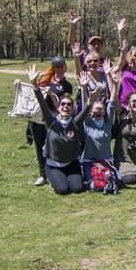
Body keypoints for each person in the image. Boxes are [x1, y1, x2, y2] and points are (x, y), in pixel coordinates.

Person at [27, 64, 97, 195]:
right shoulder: (52, 121)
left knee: (77, 189)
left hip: (71, 164)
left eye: (69, 105)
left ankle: (68, 177)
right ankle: (52, 177)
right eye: (63, 104)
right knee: (63, 190)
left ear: (72, 108)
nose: (66, 107)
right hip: (53, 165)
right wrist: (35, 85)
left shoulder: (75, 122)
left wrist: (86, 91)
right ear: (58, 108)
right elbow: (42, 103)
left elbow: (87, 107)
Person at [27, 55, 73, 186]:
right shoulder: (45, 80)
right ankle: (42, 175)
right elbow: (33, 93)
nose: (59, 68)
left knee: (50, 147)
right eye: (56, 66)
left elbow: (63, 106)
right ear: (53, 68)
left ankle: (54, 172)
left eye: (61, 66)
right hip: (36, 118)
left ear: (65, 67)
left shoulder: (67, 86)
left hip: (51, 120)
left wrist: (52, 94)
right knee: (39, 146)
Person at [78, 67, 118, 190]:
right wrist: (84, 87)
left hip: (106, 160)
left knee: (114, 181)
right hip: (89, 161)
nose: (99, 111)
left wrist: (115, 83)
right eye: (96, 109)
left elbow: (112, 102)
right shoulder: (88, 122)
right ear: (91, 112)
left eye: (101, 109)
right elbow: (85, 105)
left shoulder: (107, 122)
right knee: (93, 186)